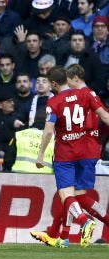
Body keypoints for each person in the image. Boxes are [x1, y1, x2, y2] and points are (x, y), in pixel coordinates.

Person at [31, 63, 109, 248]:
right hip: (87, 151)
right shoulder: (85, 94)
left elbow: (49, 131)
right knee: (78, 197)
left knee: (66, 194)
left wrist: (41, 155)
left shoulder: (54, 102)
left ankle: (83, 222)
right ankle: (57, 234)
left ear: (53, 84)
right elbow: (105, 117)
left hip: (66, 153)